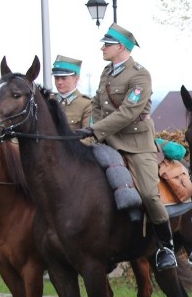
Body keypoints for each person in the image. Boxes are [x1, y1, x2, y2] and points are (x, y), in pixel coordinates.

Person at [75, 23, 177, 271]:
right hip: (107, 140)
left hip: (135, 144)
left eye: (107, 44)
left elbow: (128, 112)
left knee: (149, 196)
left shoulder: (140, 75)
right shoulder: (106, 72)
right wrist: (94, 133)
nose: (103, 48)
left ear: (120, 47)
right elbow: (98, 105)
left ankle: (167, 247)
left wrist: (94, 130)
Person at [50, 55, 92, 131]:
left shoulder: (86, 104)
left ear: (76, 78)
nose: (59, 82)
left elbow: (89, 138)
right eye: (56, 78)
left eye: (64, 78)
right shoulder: (48, 100)